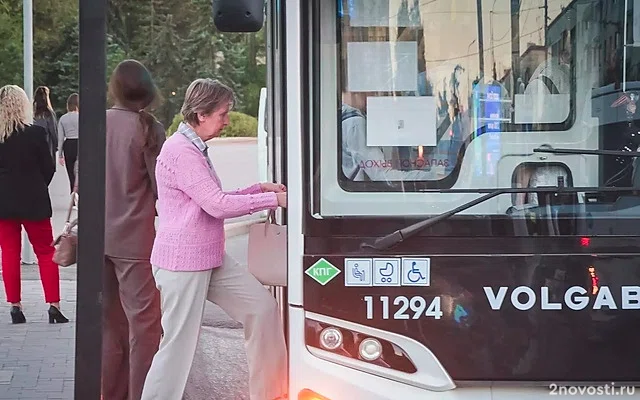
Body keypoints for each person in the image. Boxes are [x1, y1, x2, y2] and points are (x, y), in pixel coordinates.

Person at [141, 78, 288, 400]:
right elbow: (217, 205)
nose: (226, 121)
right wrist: (272, 201)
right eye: (222, 114)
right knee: (177, 347)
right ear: (201, 113)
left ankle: (271, 394)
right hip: (183, 263)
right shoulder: (182, 151)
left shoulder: (192, 147)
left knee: (262, 310)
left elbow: (210, 199)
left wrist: (257, 190)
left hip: (209, 257)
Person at [102, 60, 165, 400]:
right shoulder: (149, 128)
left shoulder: (96, 123)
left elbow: (81, 183)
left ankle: (108, 393)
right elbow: (162, 188)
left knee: (109, 326)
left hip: (97, 238)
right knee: (144, 326)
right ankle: (142, 394)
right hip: (136, 240)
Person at [0, 85, 69, 324]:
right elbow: (48, 168)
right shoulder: (36, 134)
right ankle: (53, 305)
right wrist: (38, 186)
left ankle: (15, 306)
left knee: (9, 252)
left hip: (4, 203)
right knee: (45, 251)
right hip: (34, 201)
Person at [342, 91, 437, 181]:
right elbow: (381, 175)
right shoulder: (355, 122)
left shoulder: (339, 114)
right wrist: (432, 177)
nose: (375, 95)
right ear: (357, 90)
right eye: (373, 90)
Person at [57, 93, 80, 193]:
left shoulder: (63, 118)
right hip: (80, 144)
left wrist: (60, 154)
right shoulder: (82, 117)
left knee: (70, 173)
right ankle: (80, 193)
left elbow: (60, 138)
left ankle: (73, 194)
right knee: (80, 172)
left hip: (69, 144)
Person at [33, 86, 58, 164]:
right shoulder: (48, 113)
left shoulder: (32, 113)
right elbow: (53, 131)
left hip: (34, 146)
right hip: (47, 145)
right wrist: (57, 145)